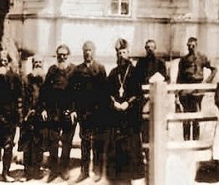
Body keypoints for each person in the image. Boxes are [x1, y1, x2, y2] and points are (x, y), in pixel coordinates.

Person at [104, 38, 144, 184]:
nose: (122, 55)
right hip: (116, 116)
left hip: (130, 116)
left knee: (131, 147)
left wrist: (128, 103)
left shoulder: (135, 72)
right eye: (120, 53)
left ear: (129, 53)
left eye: (124, 52)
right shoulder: (114, 73)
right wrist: (114, 103)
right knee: (117, 148)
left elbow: (139, 94)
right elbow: (107, 93)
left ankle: (131, 176)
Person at [69, 41, 108, 181]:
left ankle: (97, 170)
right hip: (83, 112)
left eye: (90, 50)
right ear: (82, 52)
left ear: (94, 51)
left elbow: (105, 93)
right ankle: (84, 171)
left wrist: (104, 112)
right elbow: (72, 92)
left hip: (97, 113)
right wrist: (73, 110)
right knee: (85, 142)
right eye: (85, 50)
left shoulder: (100, 69)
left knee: (97, 142)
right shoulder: (78, 70)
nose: (87, 53)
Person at [39, 45, 76, 181]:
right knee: (53, 141)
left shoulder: (74, 70)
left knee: (67, 142)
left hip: (68, 111)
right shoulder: (52, 70)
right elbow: (44, 91)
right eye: (59, 54)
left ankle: (64, 169)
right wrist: (43, 108)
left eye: (64, 54)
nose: (62, 57)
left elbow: (78, 93)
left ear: (68, 55)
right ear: (56, 55)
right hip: (53, 111)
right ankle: (54, 170)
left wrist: (74, 110)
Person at [0, 50, 23, 183]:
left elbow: (19, 98)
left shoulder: (15, 77)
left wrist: (19, 117)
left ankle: (6, 172)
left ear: (8, 61)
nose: (3, 61)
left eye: (5, 59)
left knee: (8, 146)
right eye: (1, 59)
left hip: (10, 118)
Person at [176, 37, 216, 141]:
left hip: (198, 88)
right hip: (186, 88)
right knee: (186, 115)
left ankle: (195, 139)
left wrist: (207, 82)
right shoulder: (183, 60)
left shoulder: (202, 57)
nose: (191, 48)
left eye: (193, 45)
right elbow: (179, 77)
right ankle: (186, 139)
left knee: (196, 114)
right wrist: (178, 93)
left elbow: (214, 69)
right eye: (189, 46)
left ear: (196, 45)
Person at [134, 39, 168, 150]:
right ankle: (145, 150)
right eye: (147, 47)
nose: (150, 49)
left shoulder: (160, 63)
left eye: (152, 47)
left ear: (155, 48)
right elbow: (136, 81)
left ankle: (157, 150)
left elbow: (166, 79)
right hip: (144, 98)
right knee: (144, 124)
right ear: (145, 49)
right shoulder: (140, 63)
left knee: (157, 125)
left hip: (157, 99)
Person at [20, 56, 46, 180]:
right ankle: (27, 171)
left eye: (40, 62)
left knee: (39, 143)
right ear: (32, 64)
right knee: (27, 143)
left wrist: (42, 109)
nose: (38, 64)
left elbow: (48, 98)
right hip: (28, 116)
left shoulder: (45, 80)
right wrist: (26, 112)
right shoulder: (26, 79)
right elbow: (22, 97)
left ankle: (37, 170)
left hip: (41, 116)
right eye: (36, 62)